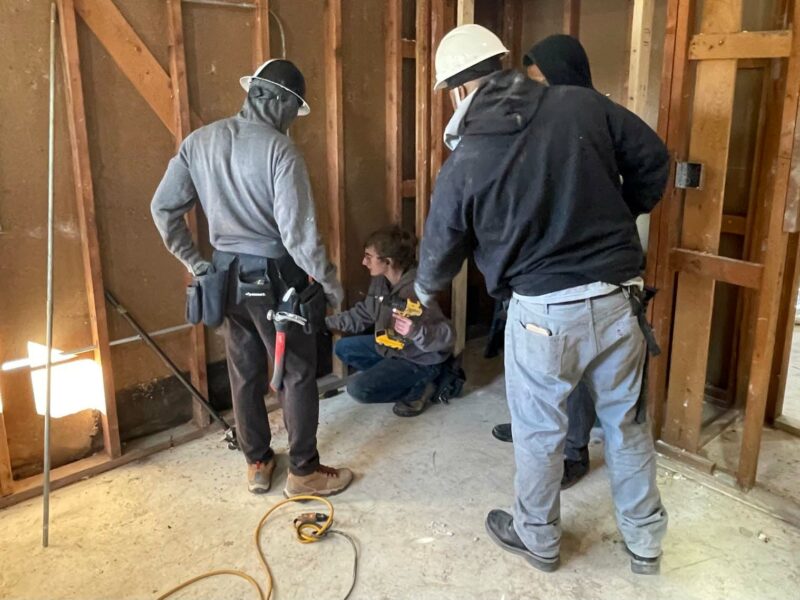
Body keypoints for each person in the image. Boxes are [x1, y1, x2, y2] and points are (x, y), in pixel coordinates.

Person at [416, 24, 669, 574]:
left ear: (459, 91)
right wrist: (620, 216)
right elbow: (654, 158)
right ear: (504, 65)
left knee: (539, 435)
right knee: (625, 427)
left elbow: (439, 252)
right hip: (619, 300)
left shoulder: (467, 159)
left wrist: (417, 292)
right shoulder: (581, 105)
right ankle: (646, 542)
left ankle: (538, 537)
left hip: (543, 316)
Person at [151, 59, 353, 498]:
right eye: (292, 111)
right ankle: (304, 472)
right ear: (278, 101)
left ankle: (258, 463)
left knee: (244, 370)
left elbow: (163, 209)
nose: (290, 123)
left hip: (223, 276)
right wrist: (333, 286)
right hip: (276, 277)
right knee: (297, 371)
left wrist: (197, 263)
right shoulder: (280, 151)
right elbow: (299, 237)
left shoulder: (198, 142)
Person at [491, 34, 615, 491]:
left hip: (580, 270)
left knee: (572, 366)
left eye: (544, 81)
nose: (537, 92)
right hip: (534, 261)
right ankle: (531, 429)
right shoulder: (538, 121)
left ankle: (574, 449)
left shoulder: (600, 119)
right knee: (529, 356)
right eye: (533, 82)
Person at [326, 226, 455, 417]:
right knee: (343, 348)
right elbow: (364, 314)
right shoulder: (381, 280)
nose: (364, 262)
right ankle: (397, 376)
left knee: (358, 389)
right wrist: (325, 322)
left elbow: (448, 335)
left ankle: (423, 386)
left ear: (388, 262)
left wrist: (416, 332)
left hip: (419, 358)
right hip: (392, 347)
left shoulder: (418, 289)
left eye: (369, 256)